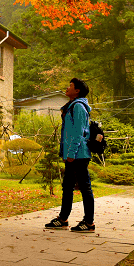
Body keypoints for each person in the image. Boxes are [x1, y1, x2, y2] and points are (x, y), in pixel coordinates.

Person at [44, 78, 95, 232]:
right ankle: (63, 219)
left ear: (77, 90)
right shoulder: (71, 106)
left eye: (70, 86)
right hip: (72, 154)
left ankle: (89, 222)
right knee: (67, 186)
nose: (67, 88)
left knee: (85, 187)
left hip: (78, 154)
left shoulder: (78, 107)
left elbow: (79, 132)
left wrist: (71, 152)